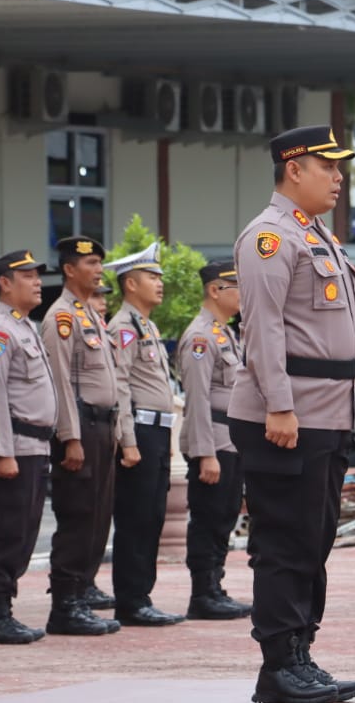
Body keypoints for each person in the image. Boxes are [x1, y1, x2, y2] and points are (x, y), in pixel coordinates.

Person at [228, 124, 355, 703]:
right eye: (329, 166)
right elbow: (265, 328)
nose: (339, 177)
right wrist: (279, 405)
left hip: (327, 414)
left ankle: (299, 651)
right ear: (294, 169)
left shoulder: (315, 234)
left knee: (313, 538)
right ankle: (277, 665)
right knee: (283, 542)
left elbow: (311, 309)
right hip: (287, 416)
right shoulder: (270, 237)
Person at [40, 235, 122, 636]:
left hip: (103, 426)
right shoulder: (62, 318)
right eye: (90, 264)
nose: (98, 270)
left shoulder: (90, 314)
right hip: (82, 428)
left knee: (98, 514)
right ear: (70, 269)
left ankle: (81, 594)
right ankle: (65, 604)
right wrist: (69, 437)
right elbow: (59, 383)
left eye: (99, 264)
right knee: (78, 515)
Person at [0, 249, 56, 645]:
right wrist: (2, 453)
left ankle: (4, 607)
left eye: (38, 275)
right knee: (6, 531)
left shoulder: (23, 326)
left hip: (34, 447)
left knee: (24, 531)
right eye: (28, 276)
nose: (38, 281)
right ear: (5, 283)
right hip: (16, 449)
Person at [105, 243, 184, 627]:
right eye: (152, 277)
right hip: (140, 431)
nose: (160, 284)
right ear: (131, 283)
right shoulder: (123, 327)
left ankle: (142, 595)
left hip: (157, 431)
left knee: (152, 516)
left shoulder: (146, 325)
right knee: (136, 518)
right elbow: (120, 385)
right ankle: (131, 600)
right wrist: (129, 440)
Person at [176, 260, 252, 620]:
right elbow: (198, 399)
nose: (242, 293)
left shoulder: (225, 332)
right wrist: (205, 454)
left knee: (224, 516)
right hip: (214, 443)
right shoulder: (201, 337)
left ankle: (216, 586)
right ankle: (203, 593)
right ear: (214, 290)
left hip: (231, 440)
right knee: (208, 519)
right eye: (235, 286)